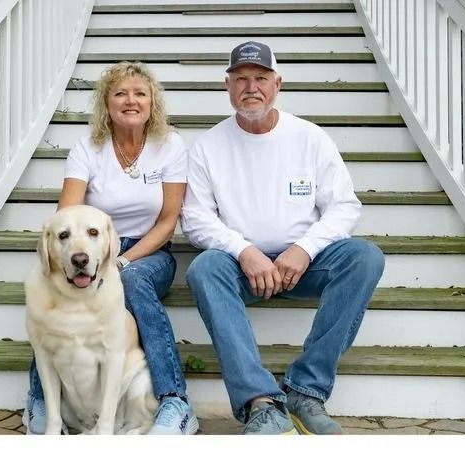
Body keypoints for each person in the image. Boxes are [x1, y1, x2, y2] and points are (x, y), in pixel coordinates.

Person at [181, 41, 385, 435]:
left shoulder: (309, 138)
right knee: (205, 268)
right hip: (244, 268)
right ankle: (260, 403)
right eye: (241, 79)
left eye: (260, 78)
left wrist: (304, 250)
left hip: (303, 266)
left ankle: (304, 390)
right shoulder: (208, 146)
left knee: (365, 258)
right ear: (228, 85)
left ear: (278, 84)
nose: (250, 87)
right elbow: (195, 218)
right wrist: (244, 251)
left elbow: (345, 206)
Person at [22, 61, 198, 435]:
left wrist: (120, 260)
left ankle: (174, 400)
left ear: (153, 102)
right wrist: (87, 256)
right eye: (120, 93)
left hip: (150, 252)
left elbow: (168, 219)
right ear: (107, 103)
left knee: (130, 280)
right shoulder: (88, 147)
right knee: (47, 288)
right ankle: (39, 397)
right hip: (94, 245)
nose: (130, 100)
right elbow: (67, 213)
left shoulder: (170, 146)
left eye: (139, 93)